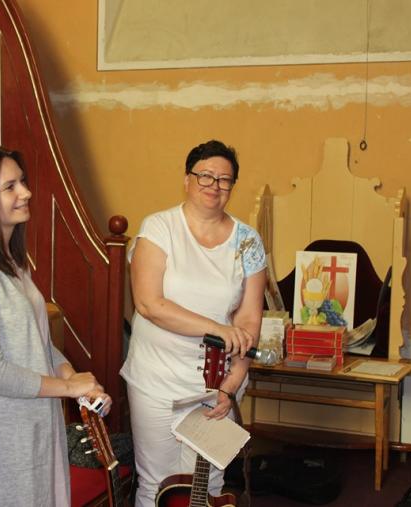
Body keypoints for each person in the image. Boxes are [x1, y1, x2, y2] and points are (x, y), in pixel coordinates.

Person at [0, 144, 112, 506]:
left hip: (33, 420)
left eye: (23, 182)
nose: (26, 192)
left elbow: (38, 342)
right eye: (10, 187)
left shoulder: (10, 261)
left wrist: (78, 382)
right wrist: (67, 388)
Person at [121, 140, 267, 505]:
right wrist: (217, 329)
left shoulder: (248, 241)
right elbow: (149, 304)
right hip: (157, 378)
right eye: (205, 175)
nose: (214, 185)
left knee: (209, 484)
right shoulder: (159, 227)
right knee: (156, 483)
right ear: (187, 179)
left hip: (218, 381)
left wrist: (232, 384)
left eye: (224, 179)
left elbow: (249, 319)